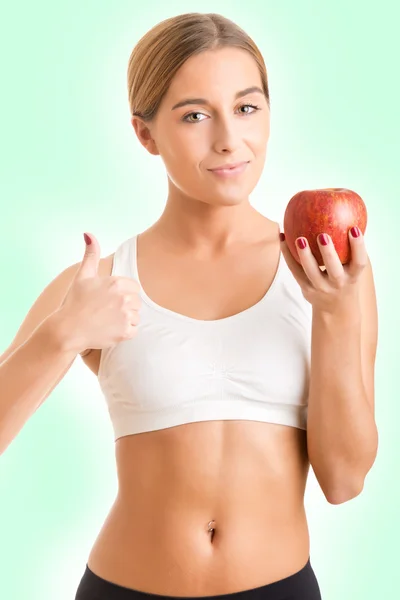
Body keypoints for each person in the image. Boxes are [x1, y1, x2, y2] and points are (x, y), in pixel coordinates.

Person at [0, 12, 378, 600]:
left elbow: (345, 480)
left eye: (247, 108)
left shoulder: (329, 270)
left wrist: (335, 315)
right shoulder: (100, 281)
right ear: (145, 135)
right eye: (196, 115)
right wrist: (62, 335)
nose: (229, 138)